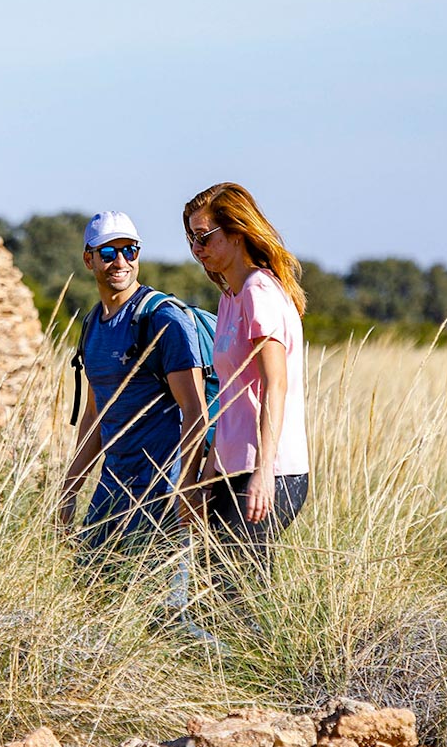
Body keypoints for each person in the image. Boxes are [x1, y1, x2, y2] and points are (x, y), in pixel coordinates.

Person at [59, 210, 209, 577]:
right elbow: (96, 414)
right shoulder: (93, 324)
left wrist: (187, 486)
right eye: (108, 253)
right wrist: (70, 488)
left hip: (163, 490)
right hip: (113, 488)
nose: (120, 262)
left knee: (166, 616)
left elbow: (194, 410)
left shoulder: (163, 321)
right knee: (90, 593)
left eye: (130, 250)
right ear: (88, 258)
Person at [181, 183, 310, 570]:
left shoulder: (259, 292)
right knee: (219, 597)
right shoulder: (229, 297)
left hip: (268, 471)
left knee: (235, 594)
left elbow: (276, 384)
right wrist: (206, 474)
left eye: (204, 236)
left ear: (237, 233)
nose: (196, 248)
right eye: (190, 238)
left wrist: (264, 471)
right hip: (229, 468)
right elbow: (232, 395)